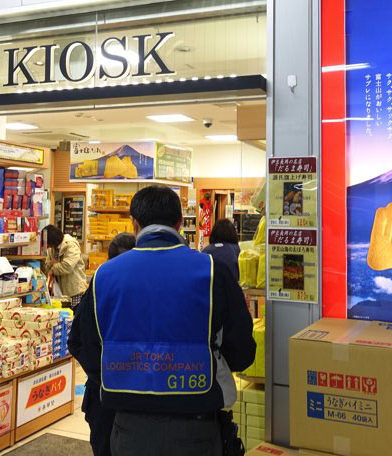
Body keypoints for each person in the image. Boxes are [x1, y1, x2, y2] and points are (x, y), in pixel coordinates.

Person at [70, 186, 255, 456]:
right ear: (179, 223)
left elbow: (80, 342)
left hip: (128, 428)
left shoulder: (104, 276)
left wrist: (122, 374)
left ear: (134, 223)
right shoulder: (213, 271)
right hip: (197, 428)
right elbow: (242, 353)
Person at [69, 232, 136, 456]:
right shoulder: (146, 290)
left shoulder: (100, 285)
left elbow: (76, 340)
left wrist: (102, 375)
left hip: (103, 394)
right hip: (135, 394)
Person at [41, 224, 87, 310]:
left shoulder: (71, 245)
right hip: (59, 291)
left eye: (47, 243)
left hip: (73, 290)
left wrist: (53, 267)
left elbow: (67, 266)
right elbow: (47, 265)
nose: (47, 246)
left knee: (74, 314)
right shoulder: (52, 248)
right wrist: (52, 264)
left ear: (52, 240)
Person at [203, 219, 241, 283]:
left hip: (209, 286)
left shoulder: (206, 250)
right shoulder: (236, 249)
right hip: (231, 286)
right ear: (233, 234)